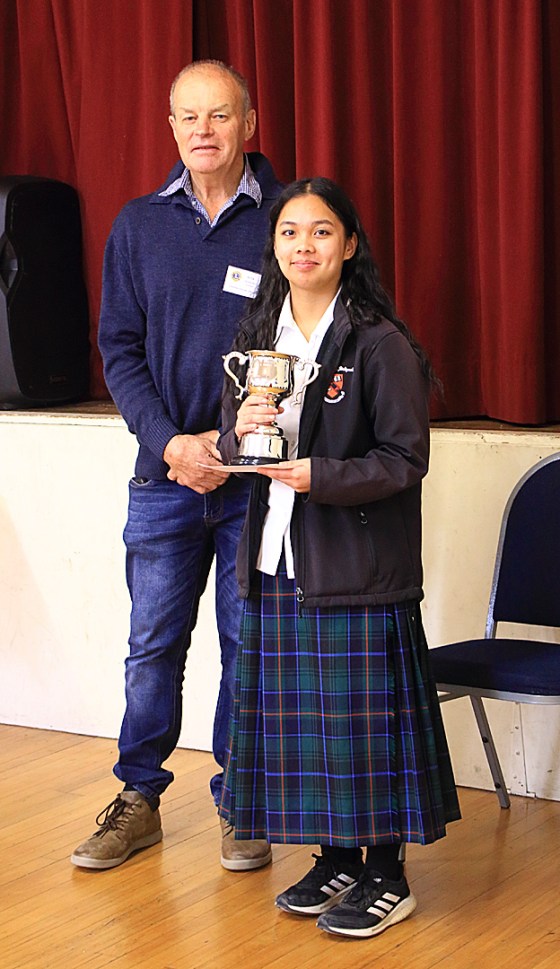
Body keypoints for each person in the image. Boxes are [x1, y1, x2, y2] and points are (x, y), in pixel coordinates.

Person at [217, 177, 461, 939]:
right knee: (312, 728)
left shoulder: (377, 340)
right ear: (275, 246)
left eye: (321, 232)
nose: (304, 247)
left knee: (362, 726)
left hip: (355, 565)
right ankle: (335, 859)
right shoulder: (261, 336)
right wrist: (239, 434)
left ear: (349, 245)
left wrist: (322, 476)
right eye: (290, 233)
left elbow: (404, 458)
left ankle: (386, 873)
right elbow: (231, 445)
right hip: (276, 558)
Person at [71, 60, 282, 872]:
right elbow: (118, 350)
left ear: (249, 123)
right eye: (187, 117)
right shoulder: (138, 225)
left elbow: (309, 345)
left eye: (219, 115)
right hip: (164, 477)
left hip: (254, 484)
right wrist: (173, 444)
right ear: (170, 129)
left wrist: (231, 450)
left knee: (247, 643)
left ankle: (240, 799)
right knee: (152, 646)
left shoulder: (289, 221)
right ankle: (138, 800)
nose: (203, 130)